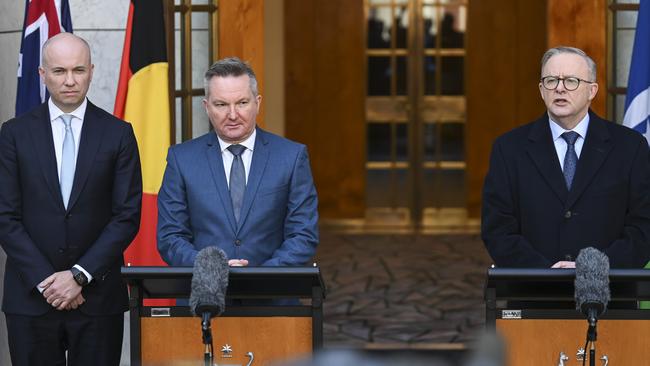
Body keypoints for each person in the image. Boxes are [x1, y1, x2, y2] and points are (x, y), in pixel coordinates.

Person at [0, 33, 142, 365]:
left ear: (91, 71)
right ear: (42, 74)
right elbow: (5, 216)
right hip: (30, 298)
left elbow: (126, 216)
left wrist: (79, 276)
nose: (69, 81)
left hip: (97, 298)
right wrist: (48, 282)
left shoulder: (118, 133)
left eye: (78, 70)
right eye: (59, 71)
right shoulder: (14, 133)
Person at [482, 46, 650, 269]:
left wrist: (594, 269)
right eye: (551, 81)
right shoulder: (508, 148)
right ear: (542, 90)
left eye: (571, 81)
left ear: (592, 90)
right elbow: (498, 229)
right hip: (533, 291)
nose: (560, 88)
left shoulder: (630, 147)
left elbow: (643, 227)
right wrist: (546, 274)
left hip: (609, 291)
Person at [157, 57, 318, 268]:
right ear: (206, 107)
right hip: (202, 295)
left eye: (242, 103)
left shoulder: (292, 156)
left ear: (257, 103)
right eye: (221, 104)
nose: (232, 115)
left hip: (271, 295)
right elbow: (170, 237)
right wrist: (212, 269)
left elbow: (303, 235)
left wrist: (259, 277)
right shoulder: (181, 159)